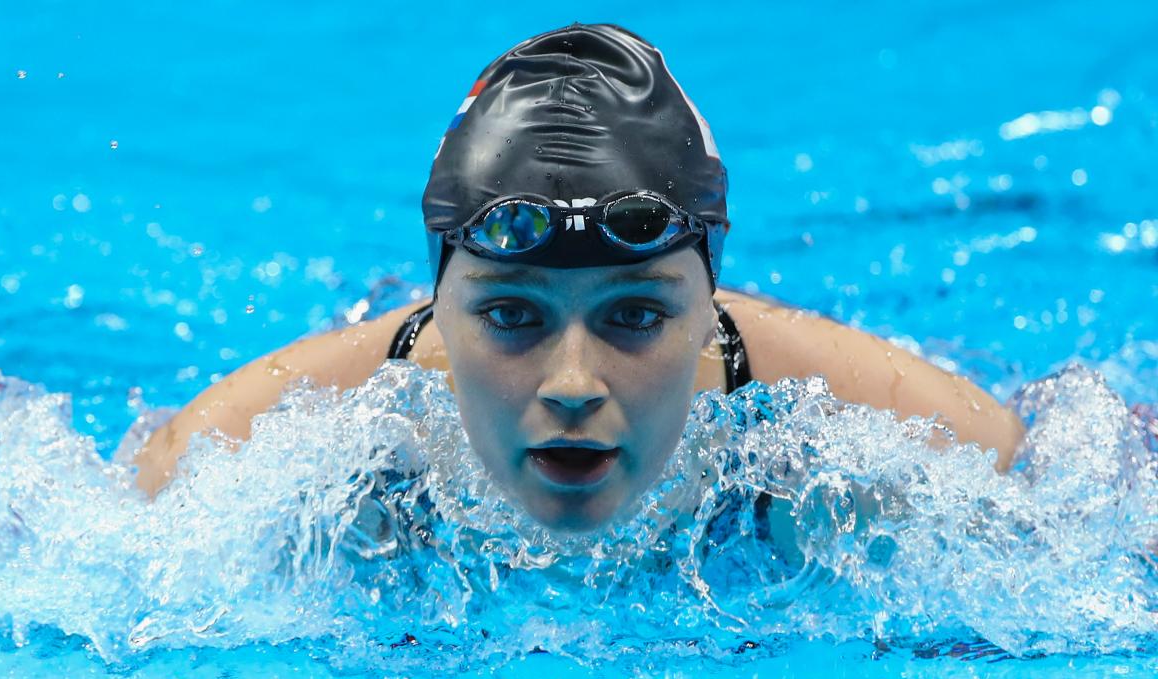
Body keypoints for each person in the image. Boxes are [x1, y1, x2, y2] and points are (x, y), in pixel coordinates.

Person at [131, 23, 1023, 535]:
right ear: (439, 309)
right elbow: (139, 495)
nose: (571, 385)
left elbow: (1037, 466)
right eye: (511, 316)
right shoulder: (284, 434)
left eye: (635, 316)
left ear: (707, 309)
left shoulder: (845, 407)